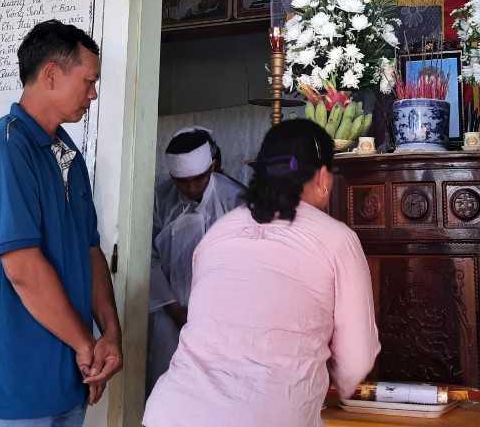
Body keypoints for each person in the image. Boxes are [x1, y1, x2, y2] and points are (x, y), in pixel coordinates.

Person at [142, 119, 379, 427]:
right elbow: (356, 360)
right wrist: (336, 390)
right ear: (322, 178)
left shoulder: (219, 232)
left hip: (171, 413)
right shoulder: (337, 239)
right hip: (268, 415)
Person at [0, 20, 122, 426]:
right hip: (10, 385)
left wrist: (109, 334)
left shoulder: (68, 155)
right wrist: (86, 343)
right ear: (51, 75)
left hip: (67, 381)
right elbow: (22, 268)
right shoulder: (3, 150)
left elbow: (90, 250)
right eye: (88, 81)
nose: (93, 94)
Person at [147, 127, 245, 393]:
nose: (190, 188)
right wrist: (173, 306)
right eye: (182, 180)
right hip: (170, 312)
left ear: (213, 167)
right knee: (168, 387)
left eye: (199, 179)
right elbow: (148, 258)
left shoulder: (236, 199)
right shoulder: (160, 199)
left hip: (221, 318)